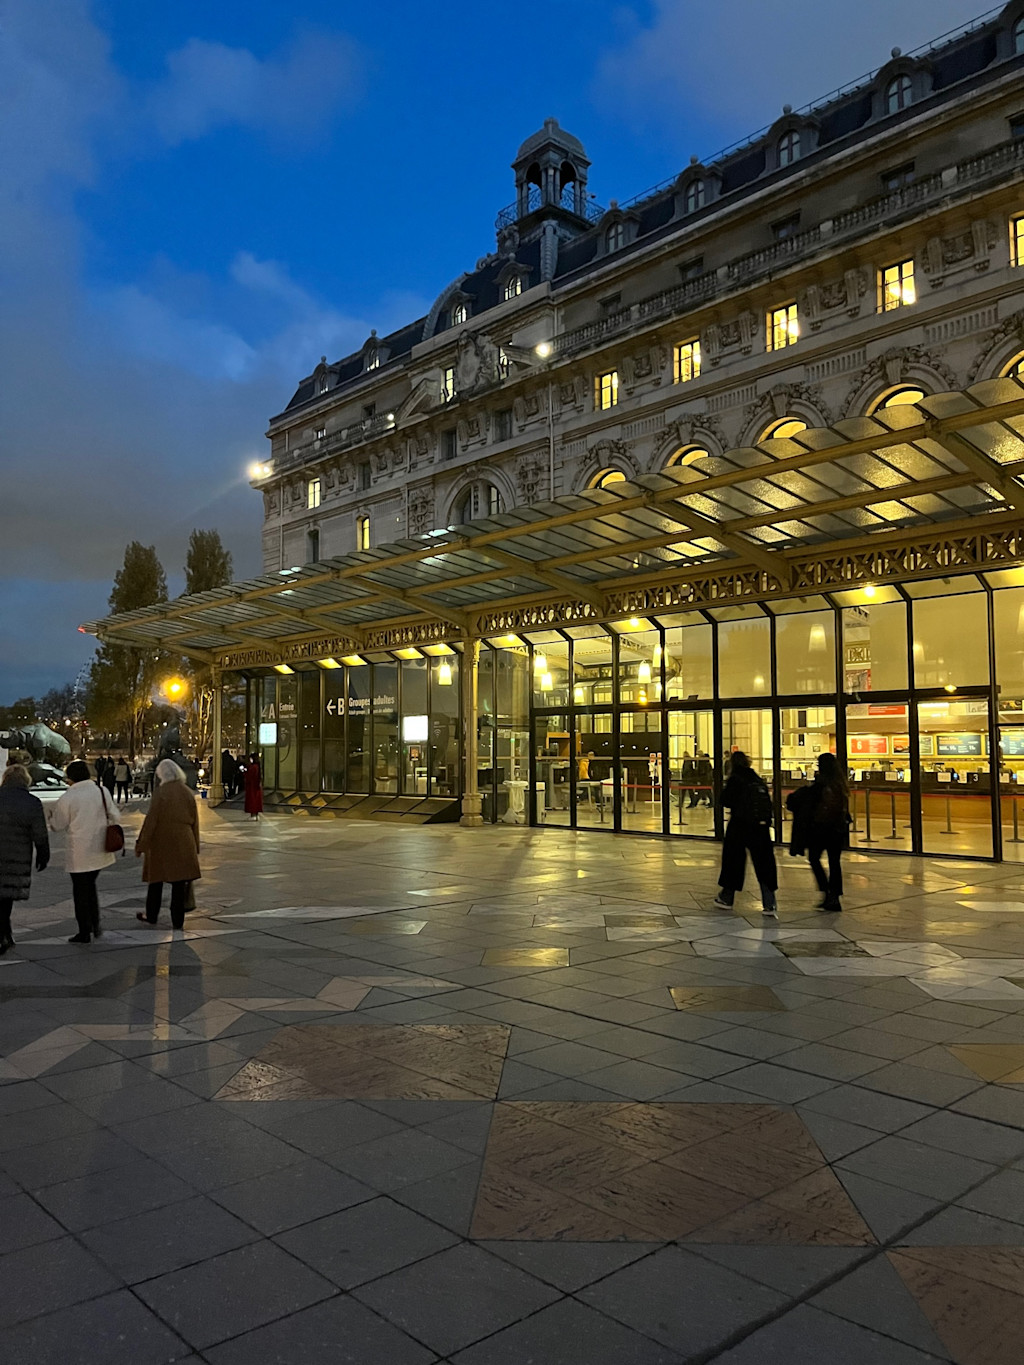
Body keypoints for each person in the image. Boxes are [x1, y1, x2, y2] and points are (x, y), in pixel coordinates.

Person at [49, 759, 116, 943]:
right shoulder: (101, 791)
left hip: (79, 850)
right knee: (90, 886)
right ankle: (95, 924)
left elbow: (57, 824)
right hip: (100, 846)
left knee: (80, 891)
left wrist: (51, 818)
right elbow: (114, 814)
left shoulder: (69, 797)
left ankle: (84, 930)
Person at [134, 759, 200, 930]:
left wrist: (141, 845)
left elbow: (151, 821)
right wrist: (195, 846)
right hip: (184, 841)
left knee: (155, 881)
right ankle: (178, 921)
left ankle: (152, 915)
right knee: (179, 885)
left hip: (162, 842)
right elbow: (195, 822)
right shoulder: (187, 792)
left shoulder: (161, 792)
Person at [714, 751, 778, 917]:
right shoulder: (757, 779)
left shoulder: (736, 779)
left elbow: (725, 800)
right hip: (760, 827)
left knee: (733, 862)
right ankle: (769, 903)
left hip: (740, 825)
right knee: (764, 864)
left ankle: (727, 897)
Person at [0, 765, 49, 955]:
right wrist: (43, 854)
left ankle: (5, 934)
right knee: (6, 897)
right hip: (17, 858)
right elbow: (40, 834)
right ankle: (5, 935)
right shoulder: (32, 802)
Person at [800, 752, 850, 913]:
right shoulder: (840, 783)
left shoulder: (823, 782)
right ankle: (834, 895)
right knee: (834, 862)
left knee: (814, 858)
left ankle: (826, 891)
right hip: (838, 828)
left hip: (823, 827)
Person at [243, 753, 263, 820]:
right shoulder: (257, 766)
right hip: (256, 786)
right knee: (256, 801)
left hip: (251, 786)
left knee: (252, 801)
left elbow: (249, 776)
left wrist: (244, 771)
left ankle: (253, 815)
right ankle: (256, 815)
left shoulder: (253, 767)